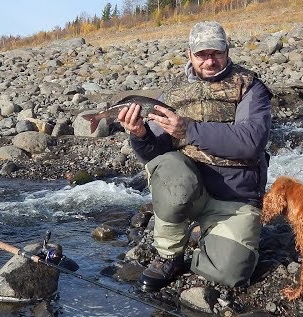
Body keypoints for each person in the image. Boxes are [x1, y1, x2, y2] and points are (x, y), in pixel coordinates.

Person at [116, 20, 272, 292]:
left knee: (229, 274)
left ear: (227, 51)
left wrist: (189, 130)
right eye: (202, 54)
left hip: (234, 197)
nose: (209, 61)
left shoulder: (250, 87)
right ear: (189, 54)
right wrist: (140, 135)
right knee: (170, 172)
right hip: (188, 189)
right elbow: (155, 155)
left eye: (216, 53)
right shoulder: (172, 94)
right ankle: (169, 254)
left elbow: (251, 142)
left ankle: (207, 239)